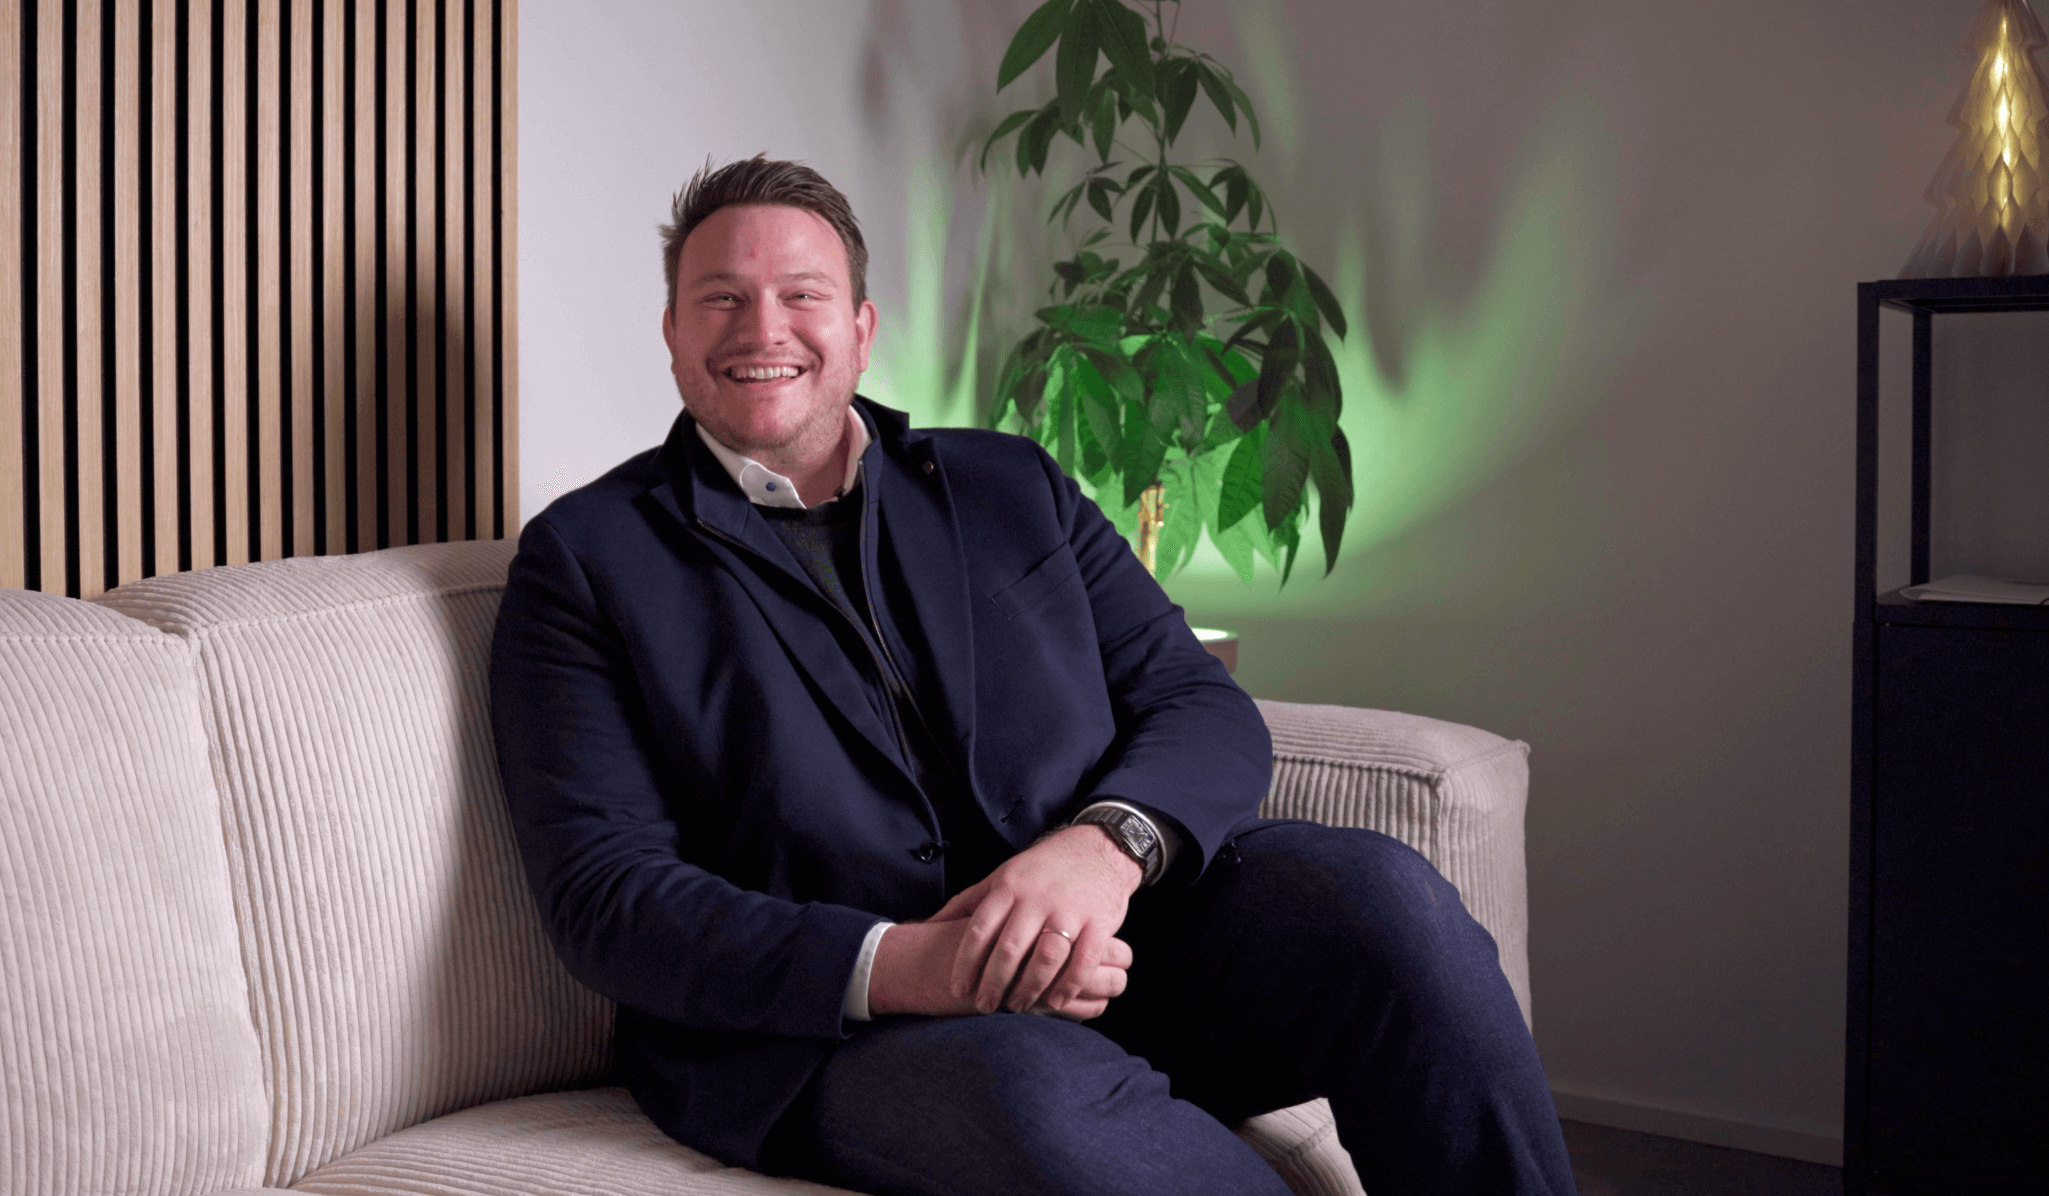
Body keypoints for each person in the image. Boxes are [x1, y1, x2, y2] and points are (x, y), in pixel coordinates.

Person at [489, 155, 1576, 1196]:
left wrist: (1105, 850)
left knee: (1383, 898)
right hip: (843, 1031)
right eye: (721, 298)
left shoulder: (1011, 483)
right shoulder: (583, 560)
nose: (762, 328)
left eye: (801, 295)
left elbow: (1197, 701)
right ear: (673, 335)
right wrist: (920, 965)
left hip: (1121, 944)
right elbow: (609, 895)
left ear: (860, 329)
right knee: (1037, 1095)